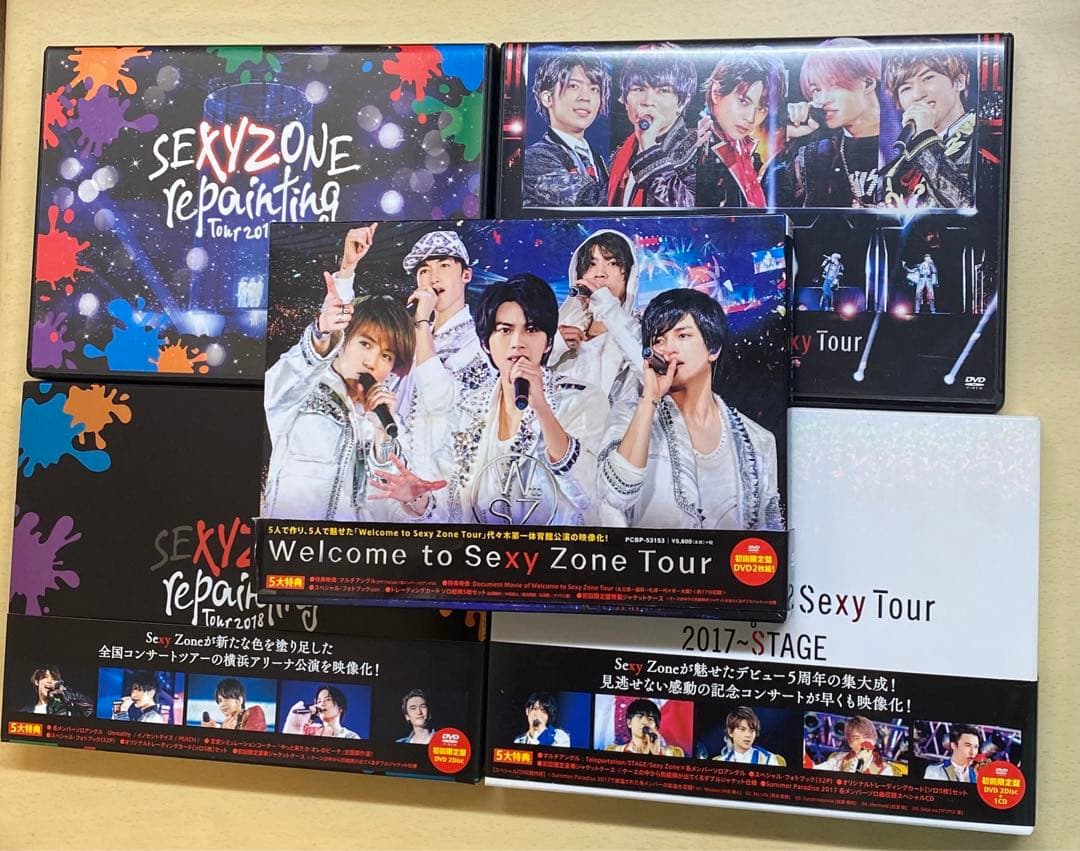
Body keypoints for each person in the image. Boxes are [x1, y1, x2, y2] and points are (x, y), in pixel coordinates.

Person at [378, 274, 606, 526]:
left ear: (548, 342)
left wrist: (541, 407)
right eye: (505, 330)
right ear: (486, 343)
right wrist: (418, 501)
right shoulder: (469, 408)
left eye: (531, 330)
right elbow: (450, 505)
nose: (517, 343)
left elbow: (589, 495)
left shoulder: (582, 399)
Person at [263, 237, 438, 521]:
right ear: (344, 340)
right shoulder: (302, 392)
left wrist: (415, 499)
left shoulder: (387, 422)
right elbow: (282, 381)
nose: (372, 361)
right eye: (365, 344)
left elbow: (391, 510)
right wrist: (322, 329)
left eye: (386, 356)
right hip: (292, 542)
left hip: (349, 547)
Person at [597, 288, 783, 530]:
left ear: (713, 348)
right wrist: (650, 399)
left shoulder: (758, 440)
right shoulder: (629, 416)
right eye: (658, 340)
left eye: (682, 336)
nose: (668, 349)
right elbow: (612, 497)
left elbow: (769, 531)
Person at [767, 37, 882, 208]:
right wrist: (784, 136)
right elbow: (766, 205)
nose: (821, 100)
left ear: (868, 83)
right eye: (816, 90)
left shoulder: (904, 144)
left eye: (833, 85)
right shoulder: (816, 155)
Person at [548, 229, 642, 405]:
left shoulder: (639, 334)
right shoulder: (560, 330)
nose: (600, 273)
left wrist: (606, 304)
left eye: (612, 263)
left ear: (629, 275)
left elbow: (651, 375)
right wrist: (554, 346)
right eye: (591, 264)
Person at [879, 43, 976, 208]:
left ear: (958, 82)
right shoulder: (896, 167)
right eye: (906, 88)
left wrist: (925, 137)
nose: (917, 95)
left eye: (928, 78)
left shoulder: (985, 141)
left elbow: (966, 206)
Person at [607, 44, 697, 207]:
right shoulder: (620, 154)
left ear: (682, 102)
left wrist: (649, 148)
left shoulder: (699, 148)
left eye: (663, 91)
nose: (648, 101)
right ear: (625, 100)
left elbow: (690, 211)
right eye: (638, 89)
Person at [695, 50, 786, 208]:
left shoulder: (741, 148)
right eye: (743, 101)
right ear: (716, 93)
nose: (751, 118)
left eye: (762, 109)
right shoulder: (697, 144)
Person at [523, 48, 611, 207]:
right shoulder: (533, 159)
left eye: (594, 89)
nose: (586, 97)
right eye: (573, 86)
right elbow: (590, 201)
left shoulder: (598, 159)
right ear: (547, 98)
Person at [813, 715, 894, 775]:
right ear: (850, 743)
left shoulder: (885, 769)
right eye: (856, 738)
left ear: (874, 740)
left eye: (867, 737)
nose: (862, 742)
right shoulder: (838, 759)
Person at [607, 698, 684, 756]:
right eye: (639, 717)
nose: (644, 722)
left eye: (650, 719)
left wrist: (656, 754)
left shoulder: (674, 753)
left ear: (656, 727)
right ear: (629, 723)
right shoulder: (613, 751)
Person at [282, 685, 361, 739]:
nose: (322, 704)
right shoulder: (311, 732)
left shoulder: (350, 736)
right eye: (319, 701)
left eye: (328, 699)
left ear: (340, 707)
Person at [711, 706, 782, 764]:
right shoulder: (720, 760)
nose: (748, 735)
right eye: (742, 729)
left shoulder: (769, 760)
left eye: (752, 730)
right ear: (730, 732)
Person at [20, 665, 92, 717]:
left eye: (54, 678)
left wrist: (68, 695)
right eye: (45, 677)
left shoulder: (67, 706)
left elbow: (89, 707)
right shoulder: (25, 711)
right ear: (37, 682)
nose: (50, 681)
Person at [201, 677, 267, 731]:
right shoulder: (227, 725)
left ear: (239, 700)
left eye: (227, 698)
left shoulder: (256, 711)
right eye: (220, 701)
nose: (222, 704)